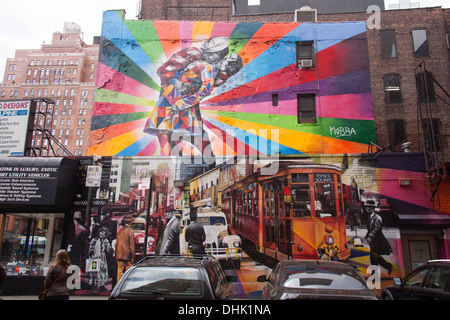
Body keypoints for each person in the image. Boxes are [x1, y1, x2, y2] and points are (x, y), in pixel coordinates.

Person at [365, 201, 393, 275]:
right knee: (375, 257)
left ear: (373, 208)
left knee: (374, 257)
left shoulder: (378, 218)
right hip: (373, 241)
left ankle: (375, 274)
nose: (367, 209)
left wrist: (369, 237)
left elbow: (376, 229)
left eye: (369, 207)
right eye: (367, 207)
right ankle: (387, 266)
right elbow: (370, 228)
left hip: (377, 240)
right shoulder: (369, 217)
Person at [85, 226, 112, 293]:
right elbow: (90, 250)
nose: (102, 234)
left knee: (102, 271)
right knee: (95, 272)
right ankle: (95, 286)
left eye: (104, 233)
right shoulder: (94, 240)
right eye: (101, 232)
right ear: (98, 233)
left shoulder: (106, 241)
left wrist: (107, 247)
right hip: (95, 258)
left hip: (102, 258)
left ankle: (102, 285)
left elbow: (108, 251)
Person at [115, 214, 135, 281]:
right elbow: (132, 246)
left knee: (119, 271)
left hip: (119, 254)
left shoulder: (119, 231)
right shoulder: (130, 231)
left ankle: (118, 285)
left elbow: (116, 244)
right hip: (127, 255)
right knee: (128, 271)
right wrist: (132, 256)